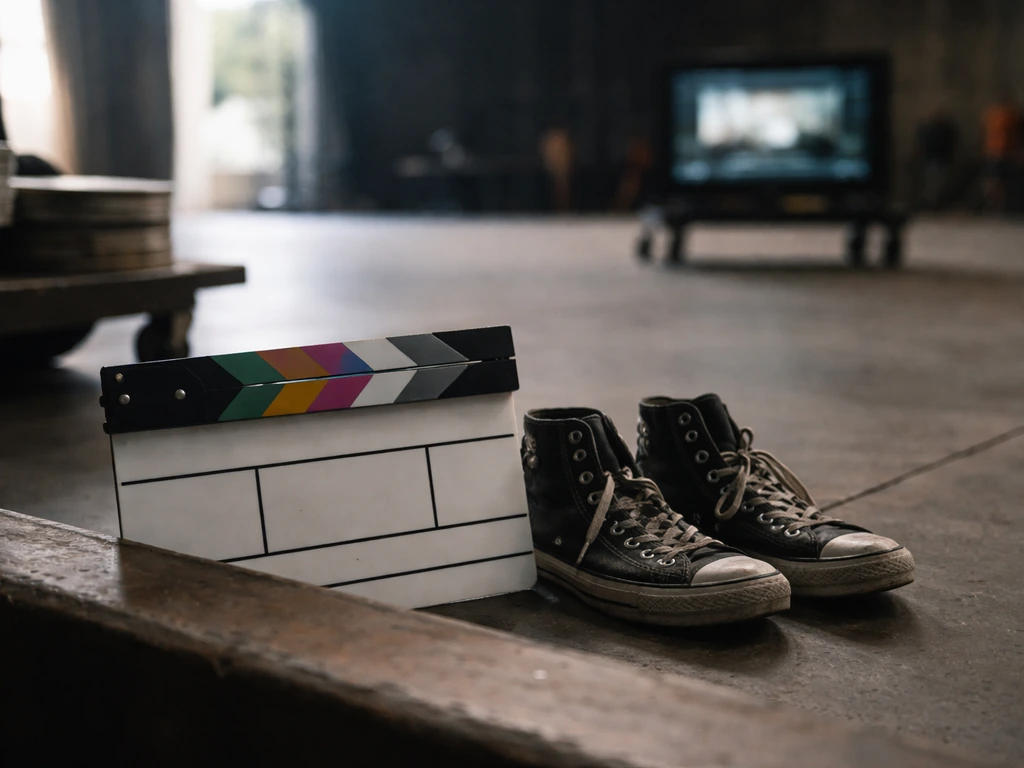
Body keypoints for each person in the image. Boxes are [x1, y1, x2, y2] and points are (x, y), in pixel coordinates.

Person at [981, 95, 1022, 212]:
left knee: (1002, 182)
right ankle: (997, 206)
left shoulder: (995, 115)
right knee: (996, 181)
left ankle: (1000, 206)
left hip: (1003, 153)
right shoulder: (1003, 115)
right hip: (998, 152)